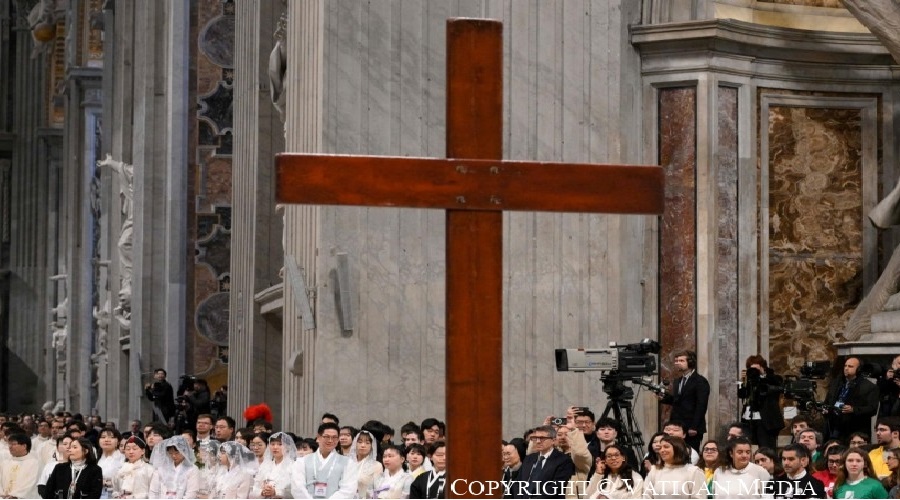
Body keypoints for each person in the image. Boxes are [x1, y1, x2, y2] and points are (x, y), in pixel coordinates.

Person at [659, 350, 710, 452]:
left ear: (690, 362)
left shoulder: (700, 381)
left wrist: (694, 427)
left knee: (690, 453)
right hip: (677, 426)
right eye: (676, 360)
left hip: (692, 427)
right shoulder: (678, 381)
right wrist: (663, 397)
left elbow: (701, 405)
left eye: (681, 360)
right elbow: (677, 400)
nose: (677, 363)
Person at [291, 422, 357, 498]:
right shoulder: (302, 462)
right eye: (326, 437)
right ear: (318, 437)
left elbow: (348, 490)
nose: (330, 440)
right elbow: (297, 488)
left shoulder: (348, 463)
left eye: (334, 437)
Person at [512, 425, 575, 499]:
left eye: (542, 438)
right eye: (535, 438)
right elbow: (518, 483)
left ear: (553, 440)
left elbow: (555, 487)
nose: (538, 441)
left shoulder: (563, 460)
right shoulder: (529, 458)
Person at [824, 356, 880, 439]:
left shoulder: (869, 387)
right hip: (834, 427)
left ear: (859, 369)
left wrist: (853, 409)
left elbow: (872, 409)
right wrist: (826, 409)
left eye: (850, 366)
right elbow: (828, 401)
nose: (846, 368)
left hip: (855, 429)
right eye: (845, 366)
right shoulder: (836, 383)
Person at [641, 435, 707, 498]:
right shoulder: (654, 471)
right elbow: (647, 496)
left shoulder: (693, 472)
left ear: (678, 448)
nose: (662, 450)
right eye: (660, 448)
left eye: (666, 447)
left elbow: (699, 497)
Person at [252, 431, 296, 498]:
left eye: (280, 444)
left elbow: (295, 490)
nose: (275, 447)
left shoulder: (293, 466)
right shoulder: (265, 465)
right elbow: (255, 487)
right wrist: (262, 491)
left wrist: (275, 492)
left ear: (287, 447)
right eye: (272, 444)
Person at [0, 432, 40, 499]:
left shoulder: (35, 463)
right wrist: (2, 494)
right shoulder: (5, 463)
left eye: (14, 444)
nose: (10, 447)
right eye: (9, 444)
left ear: (24, 446)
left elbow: (31, 483)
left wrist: (15, 495)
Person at [351, 429, 383, 498]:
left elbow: (378, 489)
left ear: (372, 446)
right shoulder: (347, 463)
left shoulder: (377, 465)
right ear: (355, 444)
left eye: (367, 443)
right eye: (359, 442)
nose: (363, 445)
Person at [96, 428, 124, 499]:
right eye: (103, 437)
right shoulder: (96, 458)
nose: (106, 440)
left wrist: (107, 482)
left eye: (111, 437)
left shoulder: (123, 459)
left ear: (118, 442)